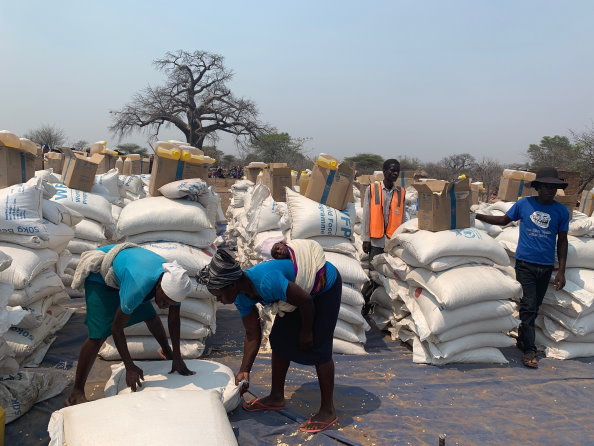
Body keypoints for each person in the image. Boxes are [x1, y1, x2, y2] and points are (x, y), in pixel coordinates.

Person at [199, 246, 341, 434]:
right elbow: (252, 334)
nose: (220, 301)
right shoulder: (241, 297)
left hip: (322, 286)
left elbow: (306, 301)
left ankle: (328, 411)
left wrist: (306, 332)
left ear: (231, 285)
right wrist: (244, 370)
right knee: (279, 340)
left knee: (319, 347)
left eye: (219, 295)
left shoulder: (266, 281)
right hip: (295, 296)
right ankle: (276, 397)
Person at [65, 244, 195, 405]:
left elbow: (174, 320)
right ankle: (76, 392)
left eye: (170, 303)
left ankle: (167, 352)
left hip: (129, 274)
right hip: (101, 275)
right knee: (98, 334)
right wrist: (129, 366)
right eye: (165, 300)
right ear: (159, 286)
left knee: (150, 315)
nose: (165, 305)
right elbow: (116, 328)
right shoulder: (138, 286)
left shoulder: (175, 284)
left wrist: (177, 355)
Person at [475, 167, 569, 369]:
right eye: (545, 186)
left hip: (545, 267)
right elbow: (503, 220)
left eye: (553, 187)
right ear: (537, 187)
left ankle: (522, 340)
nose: (549, 190)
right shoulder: (524, 204)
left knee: (533, 307)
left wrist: (561, 270)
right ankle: (529, 350)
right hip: (525, 264)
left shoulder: (561, 211)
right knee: (528, 306)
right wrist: (479, 216)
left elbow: (562, 241)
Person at [360, 159, 407, 314]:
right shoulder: (373, 189)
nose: (394, 174)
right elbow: (366, 214)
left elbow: (403, 219)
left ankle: (383, 307)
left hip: (392, 243)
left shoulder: (401, 192)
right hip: (376, 241)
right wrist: (366, 238)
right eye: (391, 170)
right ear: (384, 171)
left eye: (397, 171)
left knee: (391, 276)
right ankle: (364, 305)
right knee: (374, 275)